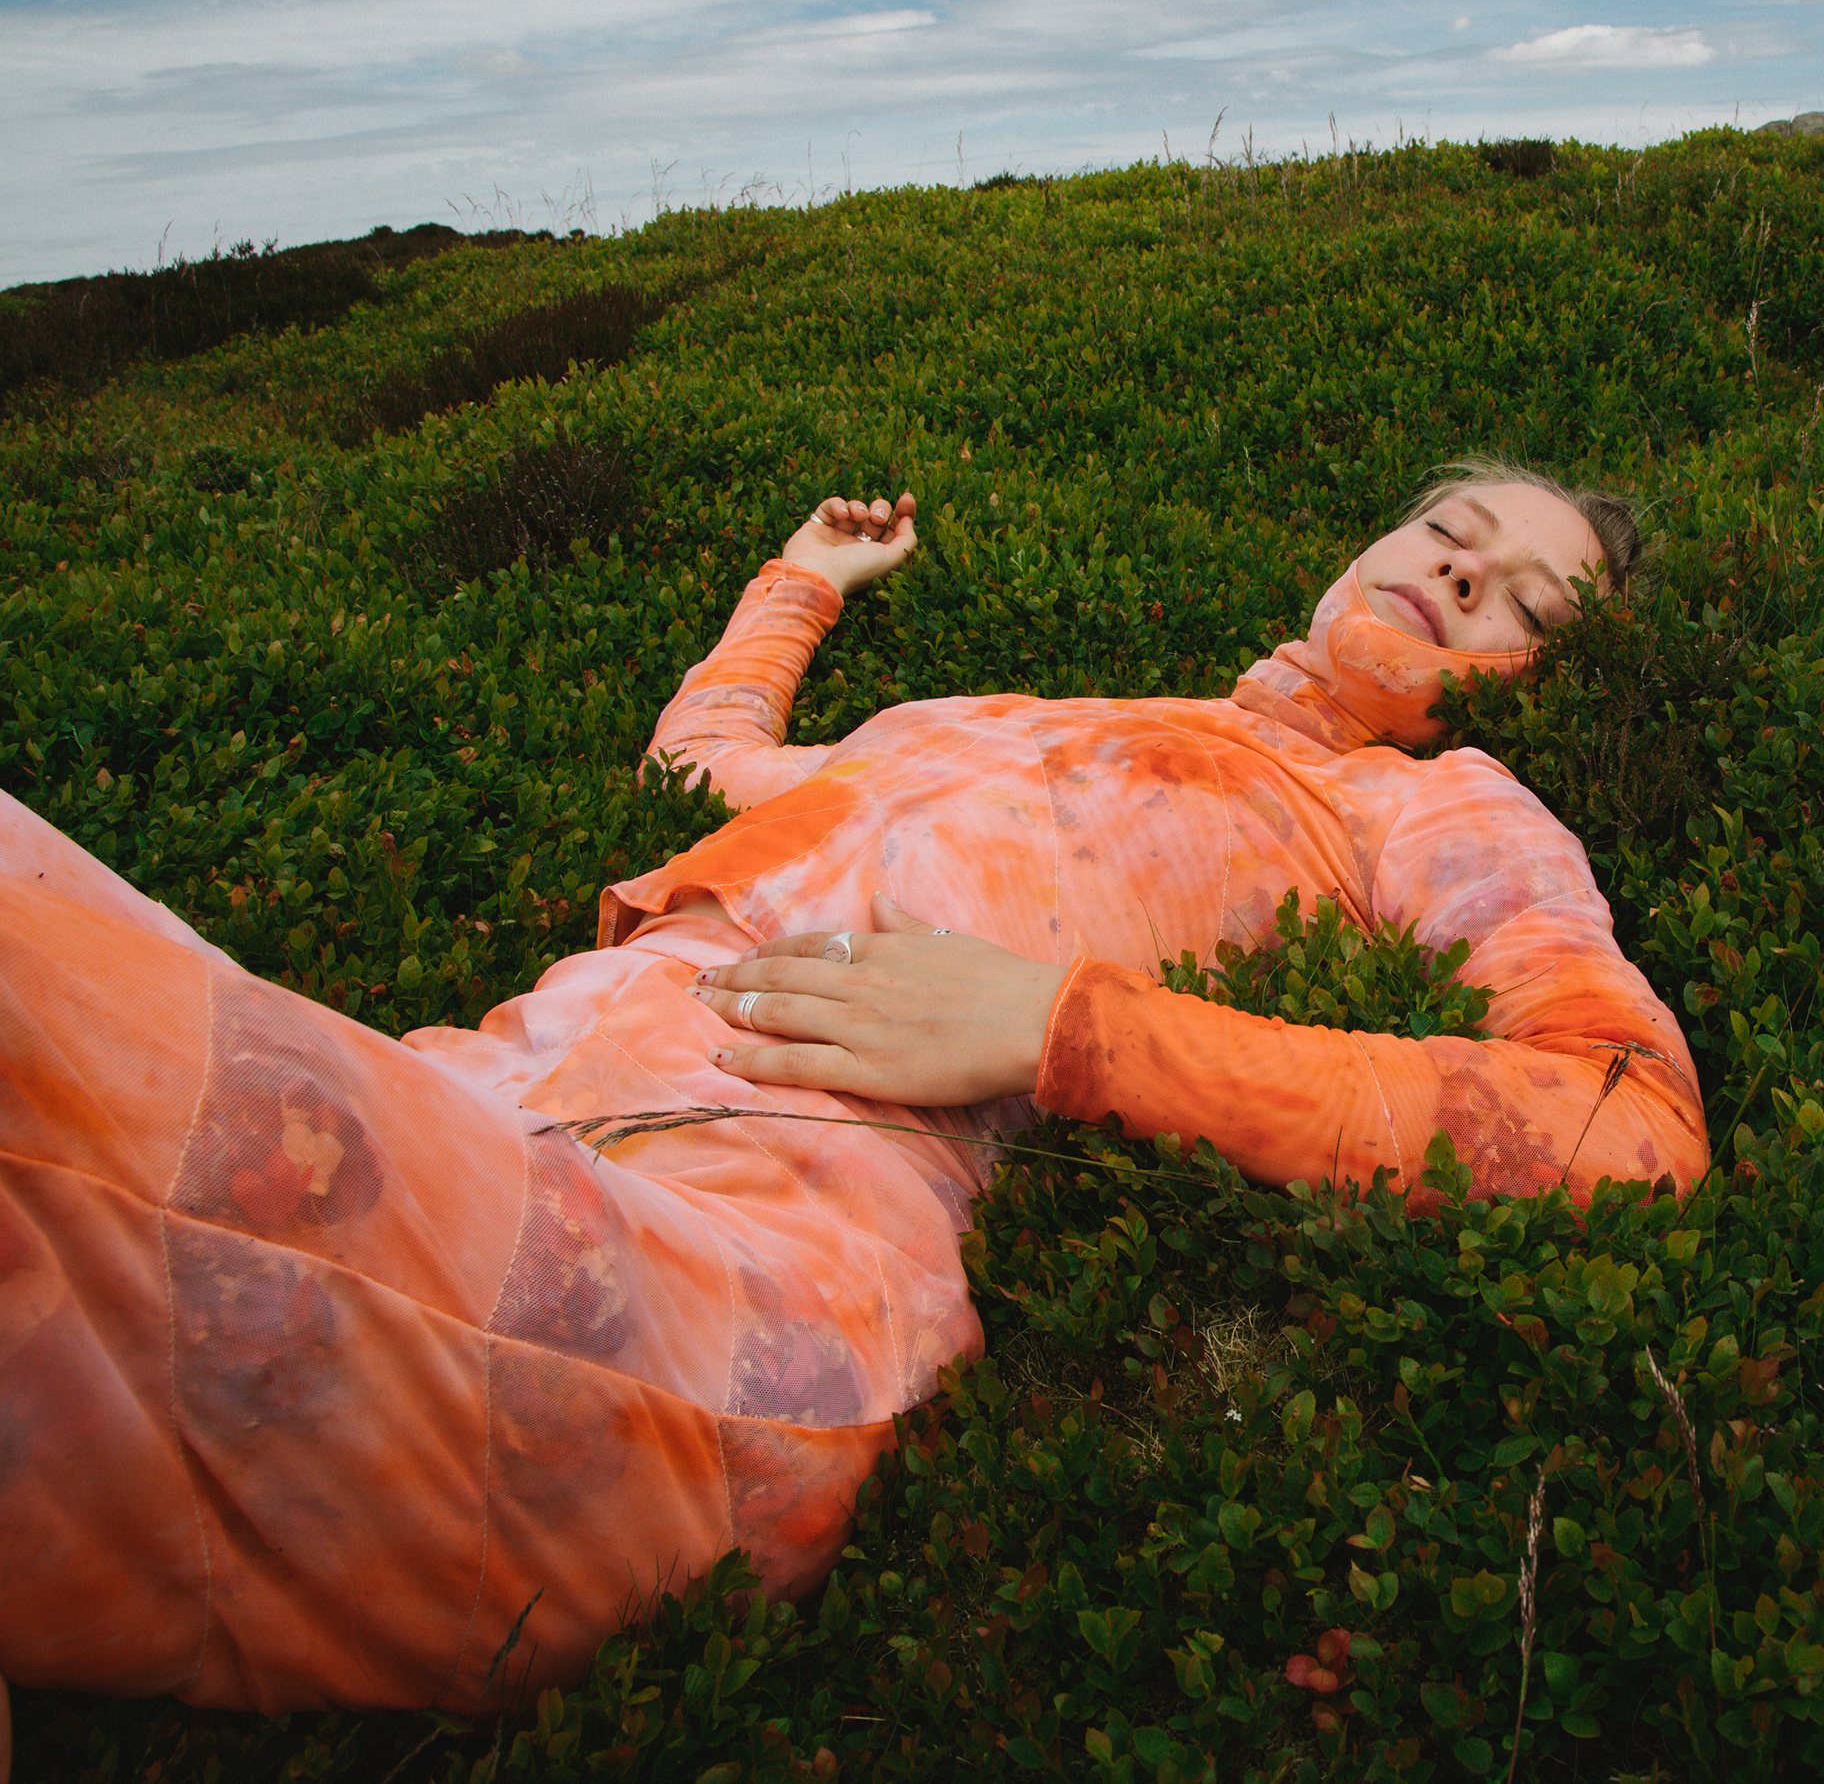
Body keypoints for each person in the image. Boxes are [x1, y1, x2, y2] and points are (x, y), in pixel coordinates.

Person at [0, 459, 1705, 1726]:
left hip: (788, 1218)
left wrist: (1066, 1027)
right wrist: (800, 581)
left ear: (1558, 678)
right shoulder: (1008, 713)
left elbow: (1616, 1125)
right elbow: (708, 769)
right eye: (1449, 535)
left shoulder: (1436, 808)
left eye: (1530, 604)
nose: (1463, 579)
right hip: (505, 1069)